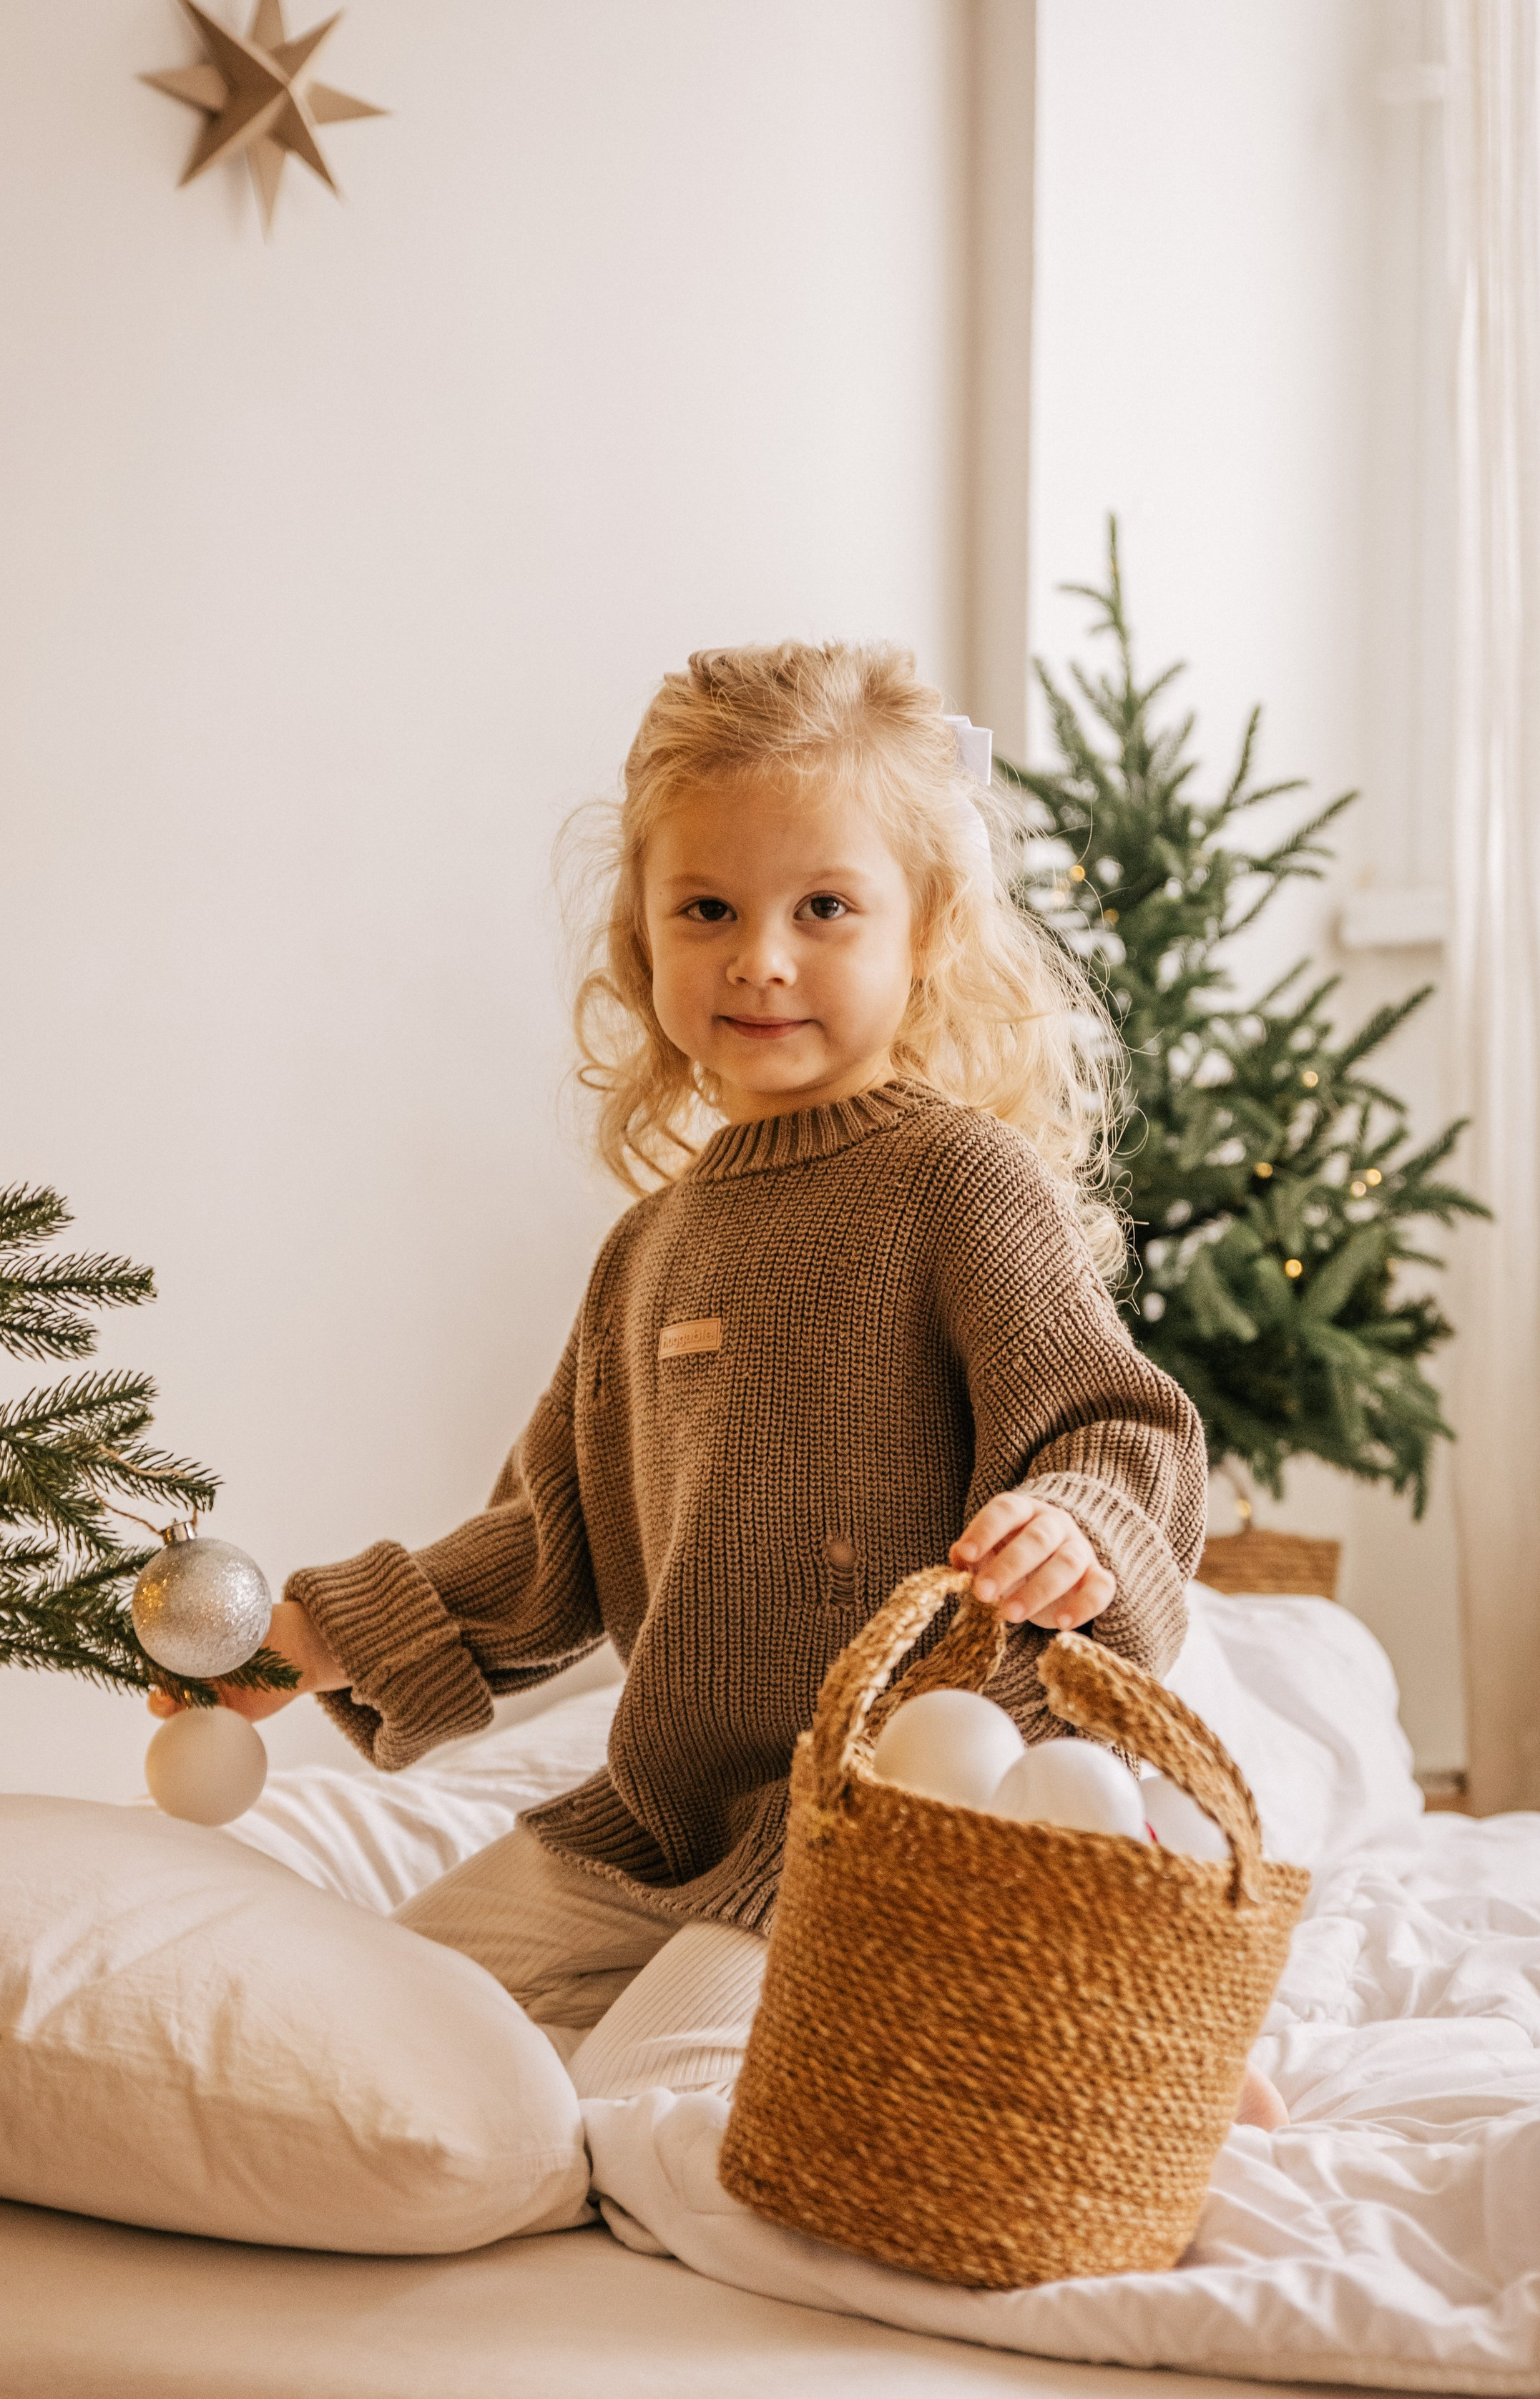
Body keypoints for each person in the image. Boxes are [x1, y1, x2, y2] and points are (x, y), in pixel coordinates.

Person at [152, 641, 1288, 2132]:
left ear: (926, 930)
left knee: (653, 2107)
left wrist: (1077, 1517)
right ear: (640, 939)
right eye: (707, 909)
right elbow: (546, 1543)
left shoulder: (958, 1184)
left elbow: (1109, 1421)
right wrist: (323, 1633)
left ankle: (1086, 2025)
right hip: (660, 1818)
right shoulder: (649, 1249)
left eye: (823, 907)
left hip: (881, 1813)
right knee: (386, 2029)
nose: (760, 955)